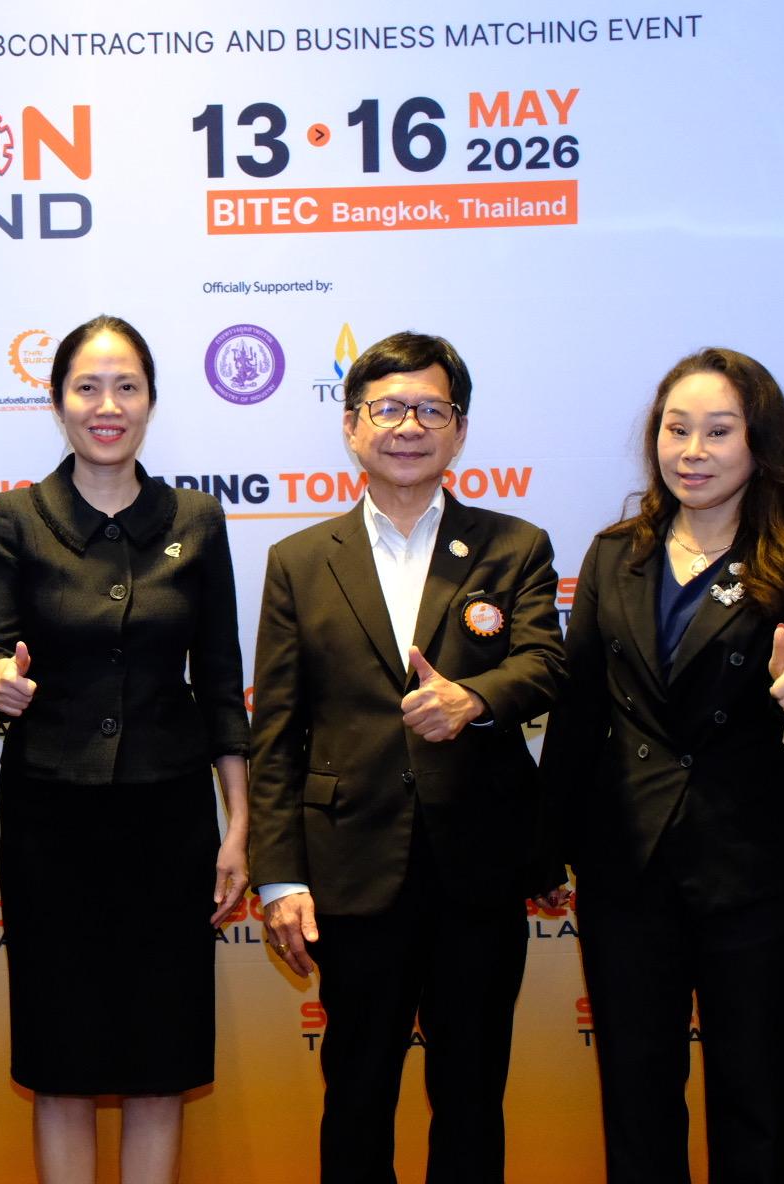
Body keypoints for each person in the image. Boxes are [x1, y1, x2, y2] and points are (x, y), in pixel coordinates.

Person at [248, 330, 567, 1182]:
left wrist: (475, 699)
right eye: (388, 409)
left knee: (472, 1094)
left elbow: (545, 664)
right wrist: (278, 878)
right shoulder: (299, 562)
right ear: (352, 425)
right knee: (356, 1093)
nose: (409, 427)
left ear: (459, 430)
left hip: (477, 867)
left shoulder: (514, 545)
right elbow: (275, 732)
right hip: (352, 869)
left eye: (431, 409)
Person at [540, 347, 784, 1183]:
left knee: (755, 1103)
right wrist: (547, 845)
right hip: (627, 869)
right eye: (677, 430)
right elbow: (578, 711)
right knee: (637, 1102)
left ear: (759, 444)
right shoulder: (614, 554)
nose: (693, 451)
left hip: (753, 869)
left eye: (718, 431)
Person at [0, 315, 251, 1184]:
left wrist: (239, 825)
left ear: (151, 402)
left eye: (126, 386)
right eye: (87, 387)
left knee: (160, 1060)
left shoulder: (197, 519)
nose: (107, 405)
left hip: (170, 818)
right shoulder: (15, 518)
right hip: (51, 819)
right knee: (61, 1059)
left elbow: (222, 682)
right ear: (58, 402)